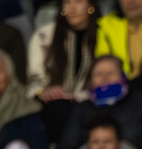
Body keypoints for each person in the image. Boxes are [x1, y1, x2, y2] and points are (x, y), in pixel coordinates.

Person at [26, 0, 97, 138]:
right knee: (57, 107)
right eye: (67, 3)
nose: (72, 8)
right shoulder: (44, 35)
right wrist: (45, 91)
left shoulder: (103, 35)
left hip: (90, 103)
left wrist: (77, 97)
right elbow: (34, 76)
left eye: (78, 2)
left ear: (91, 6)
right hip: (51, 105)